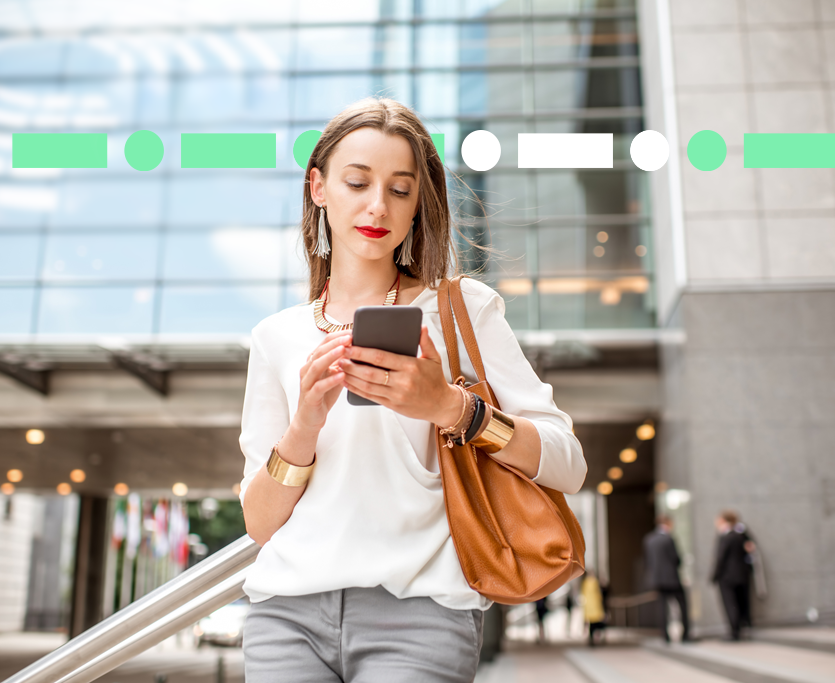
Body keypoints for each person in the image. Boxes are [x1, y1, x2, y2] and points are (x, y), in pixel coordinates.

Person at [237, 97, 587, 682]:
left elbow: (568, 464)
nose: (378, 205)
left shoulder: (461, 311)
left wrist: (450, 407)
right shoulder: (277, 337)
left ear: (418, 204)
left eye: (400, 190)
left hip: (421, 618)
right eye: (357, 182)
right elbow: (259, 522)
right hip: (286, 618)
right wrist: (304, 429)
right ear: (318, 187)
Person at [643, 515, 693, 643]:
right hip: (672, 579)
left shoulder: (649, 539)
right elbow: (676, 559)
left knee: (662, 607)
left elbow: (648, 561)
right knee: (683, 604)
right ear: (667, 523)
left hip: (657, 579)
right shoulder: (668, 539)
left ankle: (665, 636)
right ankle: (685, 634)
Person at [711, 511, 751, 641]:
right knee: (739, 602)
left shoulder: (725, 536)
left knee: (730, 603)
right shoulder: (740, 534)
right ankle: (741, 628)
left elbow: (720, 557)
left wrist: (715, 575)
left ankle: (734, 632)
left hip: (727, 576)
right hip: (742, 574)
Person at [581, 571, 606, 647]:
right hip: (595, 606)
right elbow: (599, 595)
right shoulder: (595, 582)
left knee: (591, 625)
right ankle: (597, 639)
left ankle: (591, 639)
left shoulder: (585, 583)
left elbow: (583, 594)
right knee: (597, 624)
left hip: (589, 607)